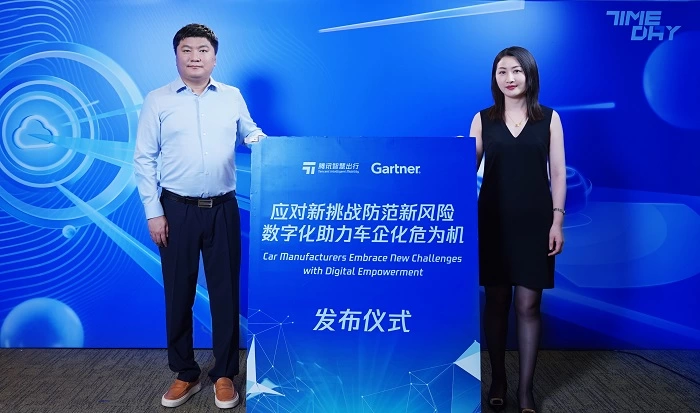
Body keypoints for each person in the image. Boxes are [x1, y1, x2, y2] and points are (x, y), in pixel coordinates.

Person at [133, 23, 265, 409]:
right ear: (176, 55)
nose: (195, 57)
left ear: (214, 57)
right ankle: (185, 373)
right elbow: (144, 158)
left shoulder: (232, 96)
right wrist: (154, 212)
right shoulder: (158, 100)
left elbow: (251, 133)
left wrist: (273, 148)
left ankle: (224, 374)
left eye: (203, 50)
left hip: (223, 208)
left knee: (225, 294)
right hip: (176, 210)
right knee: (179, 294)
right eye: (187, 50)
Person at [470, 46, 566, 413]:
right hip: (492, 222)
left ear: (530, 75)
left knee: (529, 304)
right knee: (496, 301)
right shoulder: (482, 119)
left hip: (535, 222)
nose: (509, 78)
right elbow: (464, 170)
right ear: (494, 78)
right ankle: (498, 379)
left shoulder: (550, 119)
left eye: (516, 71)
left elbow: (558, 173)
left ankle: (526, 391)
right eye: (502, 72)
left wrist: (557, 221)